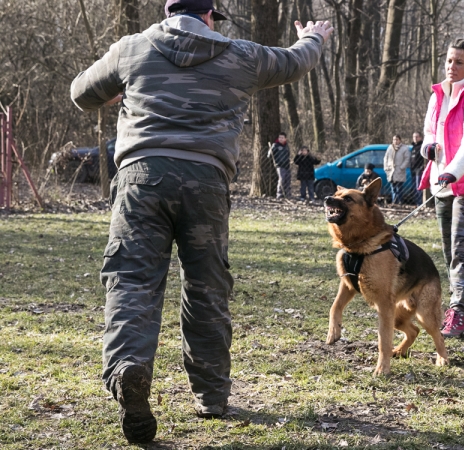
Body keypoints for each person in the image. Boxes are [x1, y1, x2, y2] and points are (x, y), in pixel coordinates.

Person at [70, 0, 333, 443]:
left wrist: (116, 93)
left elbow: (81, 92)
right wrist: (315, 36)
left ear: (168, 12)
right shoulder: (241, 54)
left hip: (141, 178)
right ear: (210, 15)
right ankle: (211, 395)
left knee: (132, 280)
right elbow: (295, 62)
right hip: (207, 182)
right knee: (206, 286)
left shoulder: (132, 48)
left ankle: (128, 369)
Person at [418, 38, 464, 338]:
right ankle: (461, 305)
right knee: (449, 251)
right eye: (449, 61)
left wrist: (451, 172)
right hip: (441, 186)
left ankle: (459, 312)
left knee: (462, 251)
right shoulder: (438, 96)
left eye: (459, 62)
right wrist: (429, 149)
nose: (452, 66)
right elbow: (428, 132)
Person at [383, 135, 410, 204]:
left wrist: (402, 167)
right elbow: (386, 158)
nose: (395, 141)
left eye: (397, 139)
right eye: (394, 139)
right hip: (391, 171)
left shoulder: (404, 148)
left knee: (399, 188)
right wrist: (386, 167)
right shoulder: (390, 148)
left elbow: (407, 159)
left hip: (399, 171)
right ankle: (394, 202)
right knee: (393, 188)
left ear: (400, 140)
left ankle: (400, 202)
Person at [268, 132, 292, 199]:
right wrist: (271, 150)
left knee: (288, 180)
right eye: (279, 137)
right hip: (280, 165)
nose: (281, 139)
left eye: (282, 138)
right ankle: (279, 195)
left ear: (285, 139)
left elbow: (288, 155)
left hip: (287, 165)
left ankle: (288, 194)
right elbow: (269, 155)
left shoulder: (286, 146)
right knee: (281, 179)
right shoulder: (276, 145)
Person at [409, 131, 425, 205]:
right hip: (413, 170)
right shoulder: (413, 147)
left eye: (417, 136)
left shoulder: (422, 146)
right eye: (414, 137)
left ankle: (420, 203)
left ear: (420, 137)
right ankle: (416, 203)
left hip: (419, 170)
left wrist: (422, 167)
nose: (415, 138)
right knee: (414, 189)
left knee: (418, 188)